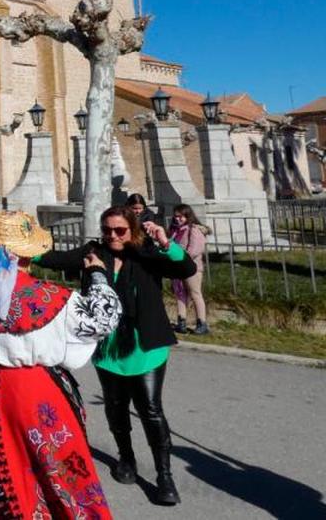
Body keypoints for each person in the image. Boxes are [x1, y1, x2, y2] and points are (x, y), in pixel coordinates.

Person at [0, 211, 122, 519]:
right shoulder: (53, 297)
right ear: (29, 253)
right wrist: (97, 276)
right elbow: (104, 316)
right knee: (57, 467)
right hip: (34, 389)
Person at [34, 205, 197, 506]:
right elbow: (57, 260)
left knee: (150, 409)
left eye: (119, 230)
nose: (112, 236)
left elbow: (186, 269)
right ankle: (126, 458)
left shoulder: (146, 251)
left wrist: (165, 243)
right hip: (108, 348)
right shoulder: (93, 251)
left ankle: (164, 475)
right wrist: (22, 250)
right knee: (116, 407)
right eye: (107, 230)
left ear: (132, 229)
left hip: (144, 346)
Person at [169, 204, 209, 334]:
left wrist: (180, 256)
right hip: (177, 266)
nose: (178, 219)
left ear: (187, 216)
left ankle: (201, 323)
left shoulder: (194, 230)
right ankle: (181, 321)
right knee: (180, 294)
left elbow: (194, 250)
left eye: (181, 217)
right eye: (176, 217)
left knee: (195, 293)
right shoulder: (175, 230)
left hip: (192, 267)